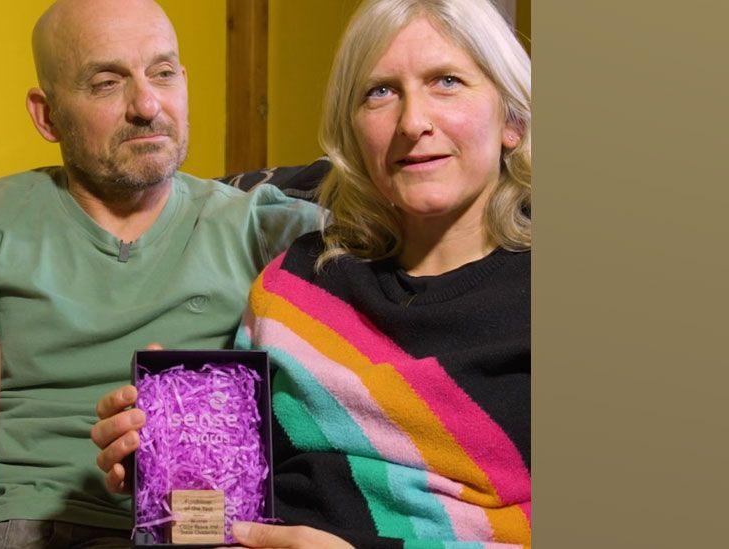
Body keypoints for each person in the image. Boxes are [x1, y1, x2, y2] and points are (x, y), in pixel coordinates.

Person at [93, 0, 531, 547]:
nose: (413, 122)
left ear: (512, 119)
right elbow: (233, 492)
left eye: (447, 81)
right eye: (381, 92)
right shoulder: (295, 283)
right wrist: (166, 460)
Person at [0, 0, 320, 547]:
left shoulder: (262, 226)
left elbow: (407, 245)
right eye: (107, 83)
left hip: (198, 531)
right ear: (48, 116)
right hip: (26, 523)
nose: (147, 104)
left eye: (162, 73)